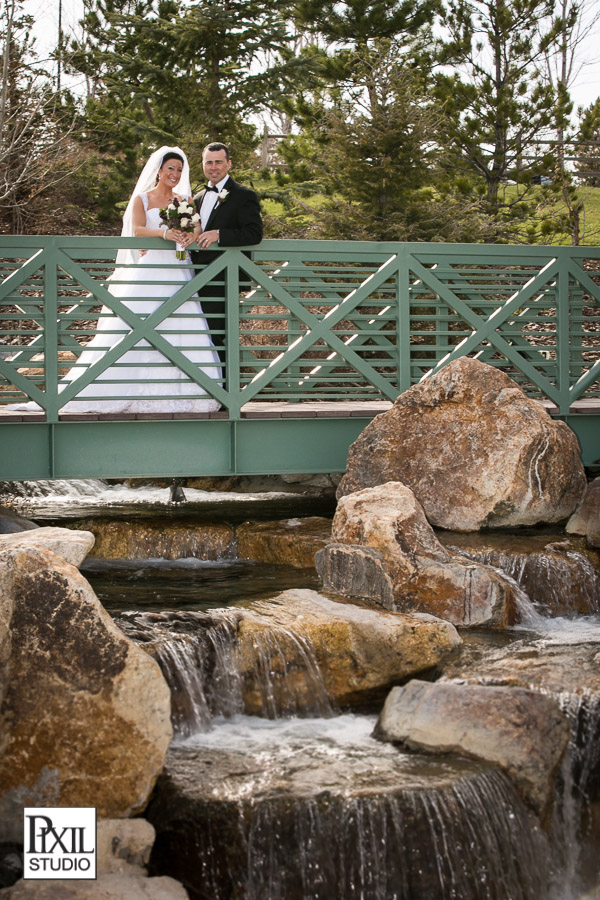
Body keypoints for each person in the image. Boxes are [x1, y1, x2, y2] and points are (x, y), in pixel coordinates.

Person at [9, 146, 222, 414]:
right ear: (158, 170)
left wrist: (187, 234)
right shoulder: (142, 199)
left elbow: (196, 228)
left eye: (179, 170)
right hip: (150, 269)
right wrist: (164, 235)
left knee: (179, 324)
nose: (175, 174)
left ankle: (181, 391)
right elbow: (138, 230)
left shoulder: (184, 200)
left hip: (178, 268)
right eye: (171, 168)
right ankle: (114, 386)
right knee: (135, 324)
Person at [189, 142, 263, 363]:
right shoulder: (197, 197)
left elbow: (253, 234)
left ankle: (224, 393)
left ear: (228, 164)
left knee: (218, 337)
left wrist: (219, 234)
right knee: (197, 337)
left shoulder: (243, 195)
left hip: (223, 279)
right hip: (193, 277)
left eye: (218, 162)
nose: (213, 167)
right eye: (208, 162)